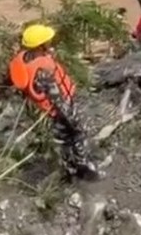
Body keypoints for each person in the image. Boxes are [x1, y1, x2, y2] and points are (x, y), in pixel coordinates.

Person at [8, 24, 98, 181]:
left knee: (63, 140)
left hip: (49, 112)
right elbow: (58, 100)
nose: (50, 44)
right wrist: (72, 121)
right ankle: (82, 169)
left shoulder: (26, 58)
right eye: (47, 42)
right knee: (76, 136)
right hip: (60, 111)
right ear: (40, 45)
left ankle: (68, 169)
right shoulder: (43, 72)